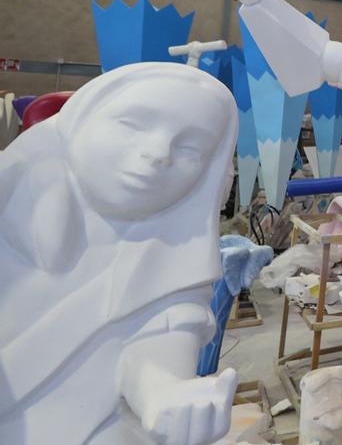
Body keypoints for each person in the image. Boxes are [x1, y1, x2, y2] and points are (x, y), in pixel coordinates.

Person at [0, 62, 239, 445]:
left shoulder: (174, 254)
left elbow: (157, 345)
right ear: (81, 121)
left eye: (192, 147)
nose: (160, 153)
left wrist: (167, 394)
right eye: (133, 125)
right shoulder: (13, 201)